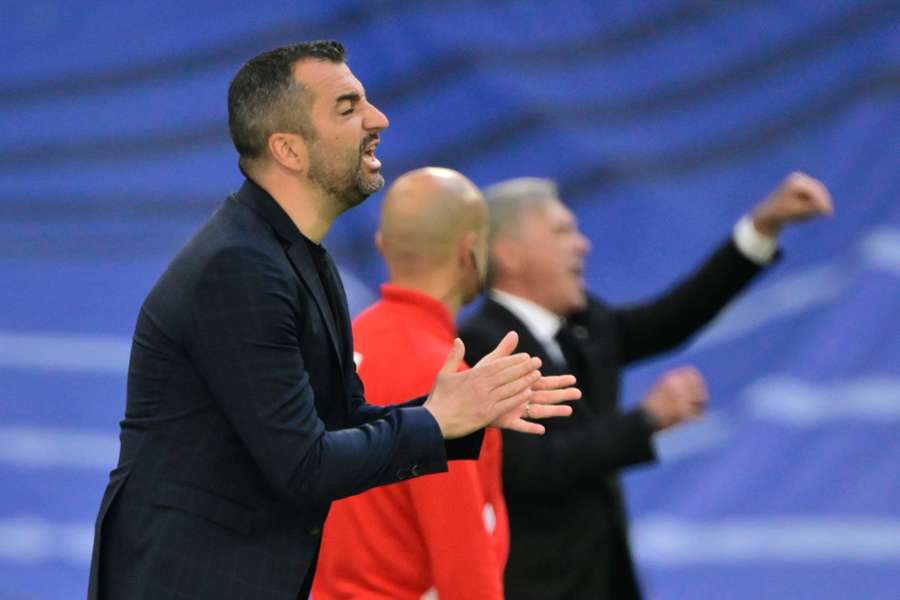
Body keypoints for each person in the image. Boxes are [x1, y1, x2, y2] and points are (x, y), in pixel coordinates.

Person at [86, 41, 579, 600]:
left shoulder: (298, 256)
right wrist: (439, 422)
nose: (379, 119)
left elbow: (339, 423)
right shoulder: (239, 267)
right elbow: (304, 465)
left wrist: (464, 412)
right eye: (348, 108)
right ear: (289, 150)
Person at [459, 173, 834, 599]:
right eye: (563, 231)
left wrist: (761, 228)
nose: (583, 244)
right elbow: (528, 467)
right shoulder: (482, 345)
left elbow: (675, 316)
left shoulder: (587, 326)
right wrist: (645, 420)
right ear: (510, 254)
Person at [313, 167, 568, 598]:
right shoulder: (452, 383)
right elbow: (463, 567)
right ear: (471, 251)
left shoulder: (334, 351)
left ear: (382, 246)